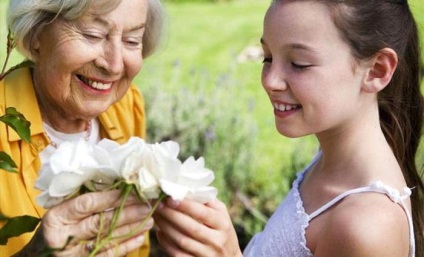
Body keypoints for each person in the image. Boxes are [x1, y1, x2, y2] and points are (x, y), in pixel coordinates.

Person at [153, 0, 424, 256]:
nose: (271, 80)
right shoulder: (333, 162)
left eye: (299, 64)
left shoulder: (366, 227)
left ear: (376, 70)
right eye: (267, 58)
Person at [0, 0, 165, 256]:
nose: (115, 65)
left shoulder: (127, 106)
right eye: (92, 35)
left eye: (132, 40)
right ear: (35, 34)